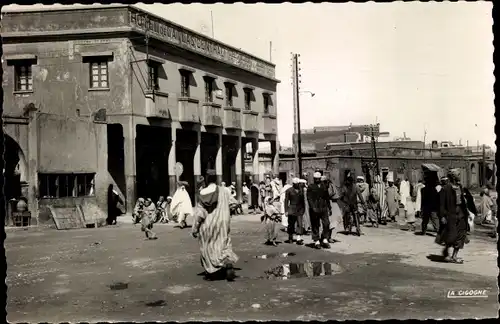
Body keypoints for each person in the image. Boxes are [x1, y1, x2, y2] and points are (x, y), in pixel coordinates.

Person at [191, 169, 238, 281]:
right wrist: (226, 211)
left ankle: (212, 271)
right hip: (223, 224)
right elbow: (234, 203)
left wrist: (195, 228)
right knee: (224, 244)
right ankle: (226, 262)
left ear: (206, 180)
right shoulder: (225, 191)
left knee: (208, 247)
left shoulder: (202, 193)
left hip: (208, 226)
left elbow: (200, 214)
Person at [436, 169, 474, 264]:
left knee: (461, 235)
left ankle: (454, 256)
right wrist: (442, 217)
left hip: (461, 215)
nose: (459, 176)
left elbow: (463, 202)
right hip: (450, 216)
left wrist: (467, 213)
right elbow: (441, 205)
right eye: (458, 174)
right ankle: (446, 251)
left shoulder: (460, 187)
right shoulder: (445, 189)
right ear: (453, 176)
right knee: (451, 235)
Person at [307, 172, 332, 249]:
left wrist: (329, 207)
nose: (317, 180)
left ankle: (324, 239)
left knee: (326, 223)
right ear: (314, 179)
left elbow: (327, 197)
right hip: (315, 208)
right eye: (316, 179)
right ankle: (316, 241)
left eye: (318, 178)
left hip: (323, 207)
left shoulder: (324, 186)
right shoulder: (311, 187)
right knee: (315, 224)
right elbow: (309, 198)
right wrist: (312, 207)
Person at [284, 178, 306, 245]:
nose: (297, 185)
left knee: (299, 224)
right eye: (296, 184)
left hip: (299, 209)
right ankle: (290, 237)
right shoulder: (289, 190)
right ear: (293, 184)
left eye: (298, 183)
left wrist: (303, 209)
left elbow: (303, 200)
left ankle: (298, 238)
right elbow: (286, 201)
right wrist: (286, 210)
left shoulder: (301, 190)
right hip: (292, 209)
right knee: (291, 224)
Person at [323, 175, 341, 243]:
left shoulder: (330, 186)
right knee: (330, 222)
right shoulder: (328, 186)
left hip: (331, 204)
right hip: (330, 204)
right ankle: (327, 237)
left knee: (331, 222)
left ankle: (328, 237)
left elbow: (330, 194)